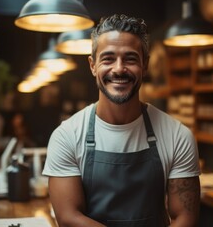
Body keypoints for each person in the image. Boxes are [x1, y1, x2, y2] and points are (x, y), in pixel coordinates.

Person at [42, 14, 200, 227]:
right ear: (92, 65)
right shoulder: (67, 136)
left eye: (130, 59)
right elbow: (69, 218)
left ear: (145, 65)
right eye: (108, 58)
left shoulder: (178, 136)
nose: (118, 69)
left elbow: (185, 218)